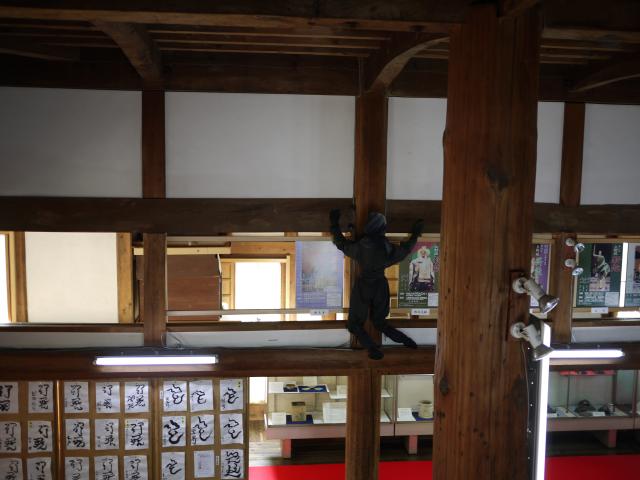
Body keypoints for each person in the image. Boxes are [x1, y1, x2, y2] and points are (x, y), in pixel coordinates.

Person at [330, 209, 424, 360]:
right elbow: (405, 250)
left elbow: (341, 243)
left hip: (364, 285)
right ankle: (406, 340)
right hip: (380, 285)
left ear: (369, 226)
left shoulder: (361, 246)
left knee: (354, 324)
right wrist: (415, 234)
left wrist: (334, 224)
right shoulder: (387, 247)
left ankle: (372, 349)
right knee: (379, 322)